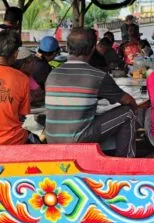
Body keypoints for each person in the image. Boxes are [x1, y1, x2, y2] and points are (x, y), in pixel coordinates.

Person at [45, 28, 139, 157]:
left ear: (67, 47)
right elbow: (128, 100)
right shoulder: (97, 75)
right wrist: (137, 110)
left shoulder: (53, 74)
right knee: (128, 113)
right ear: (93, 49)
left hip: (51, 139)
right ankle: (125, 162)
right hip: (77, 139)